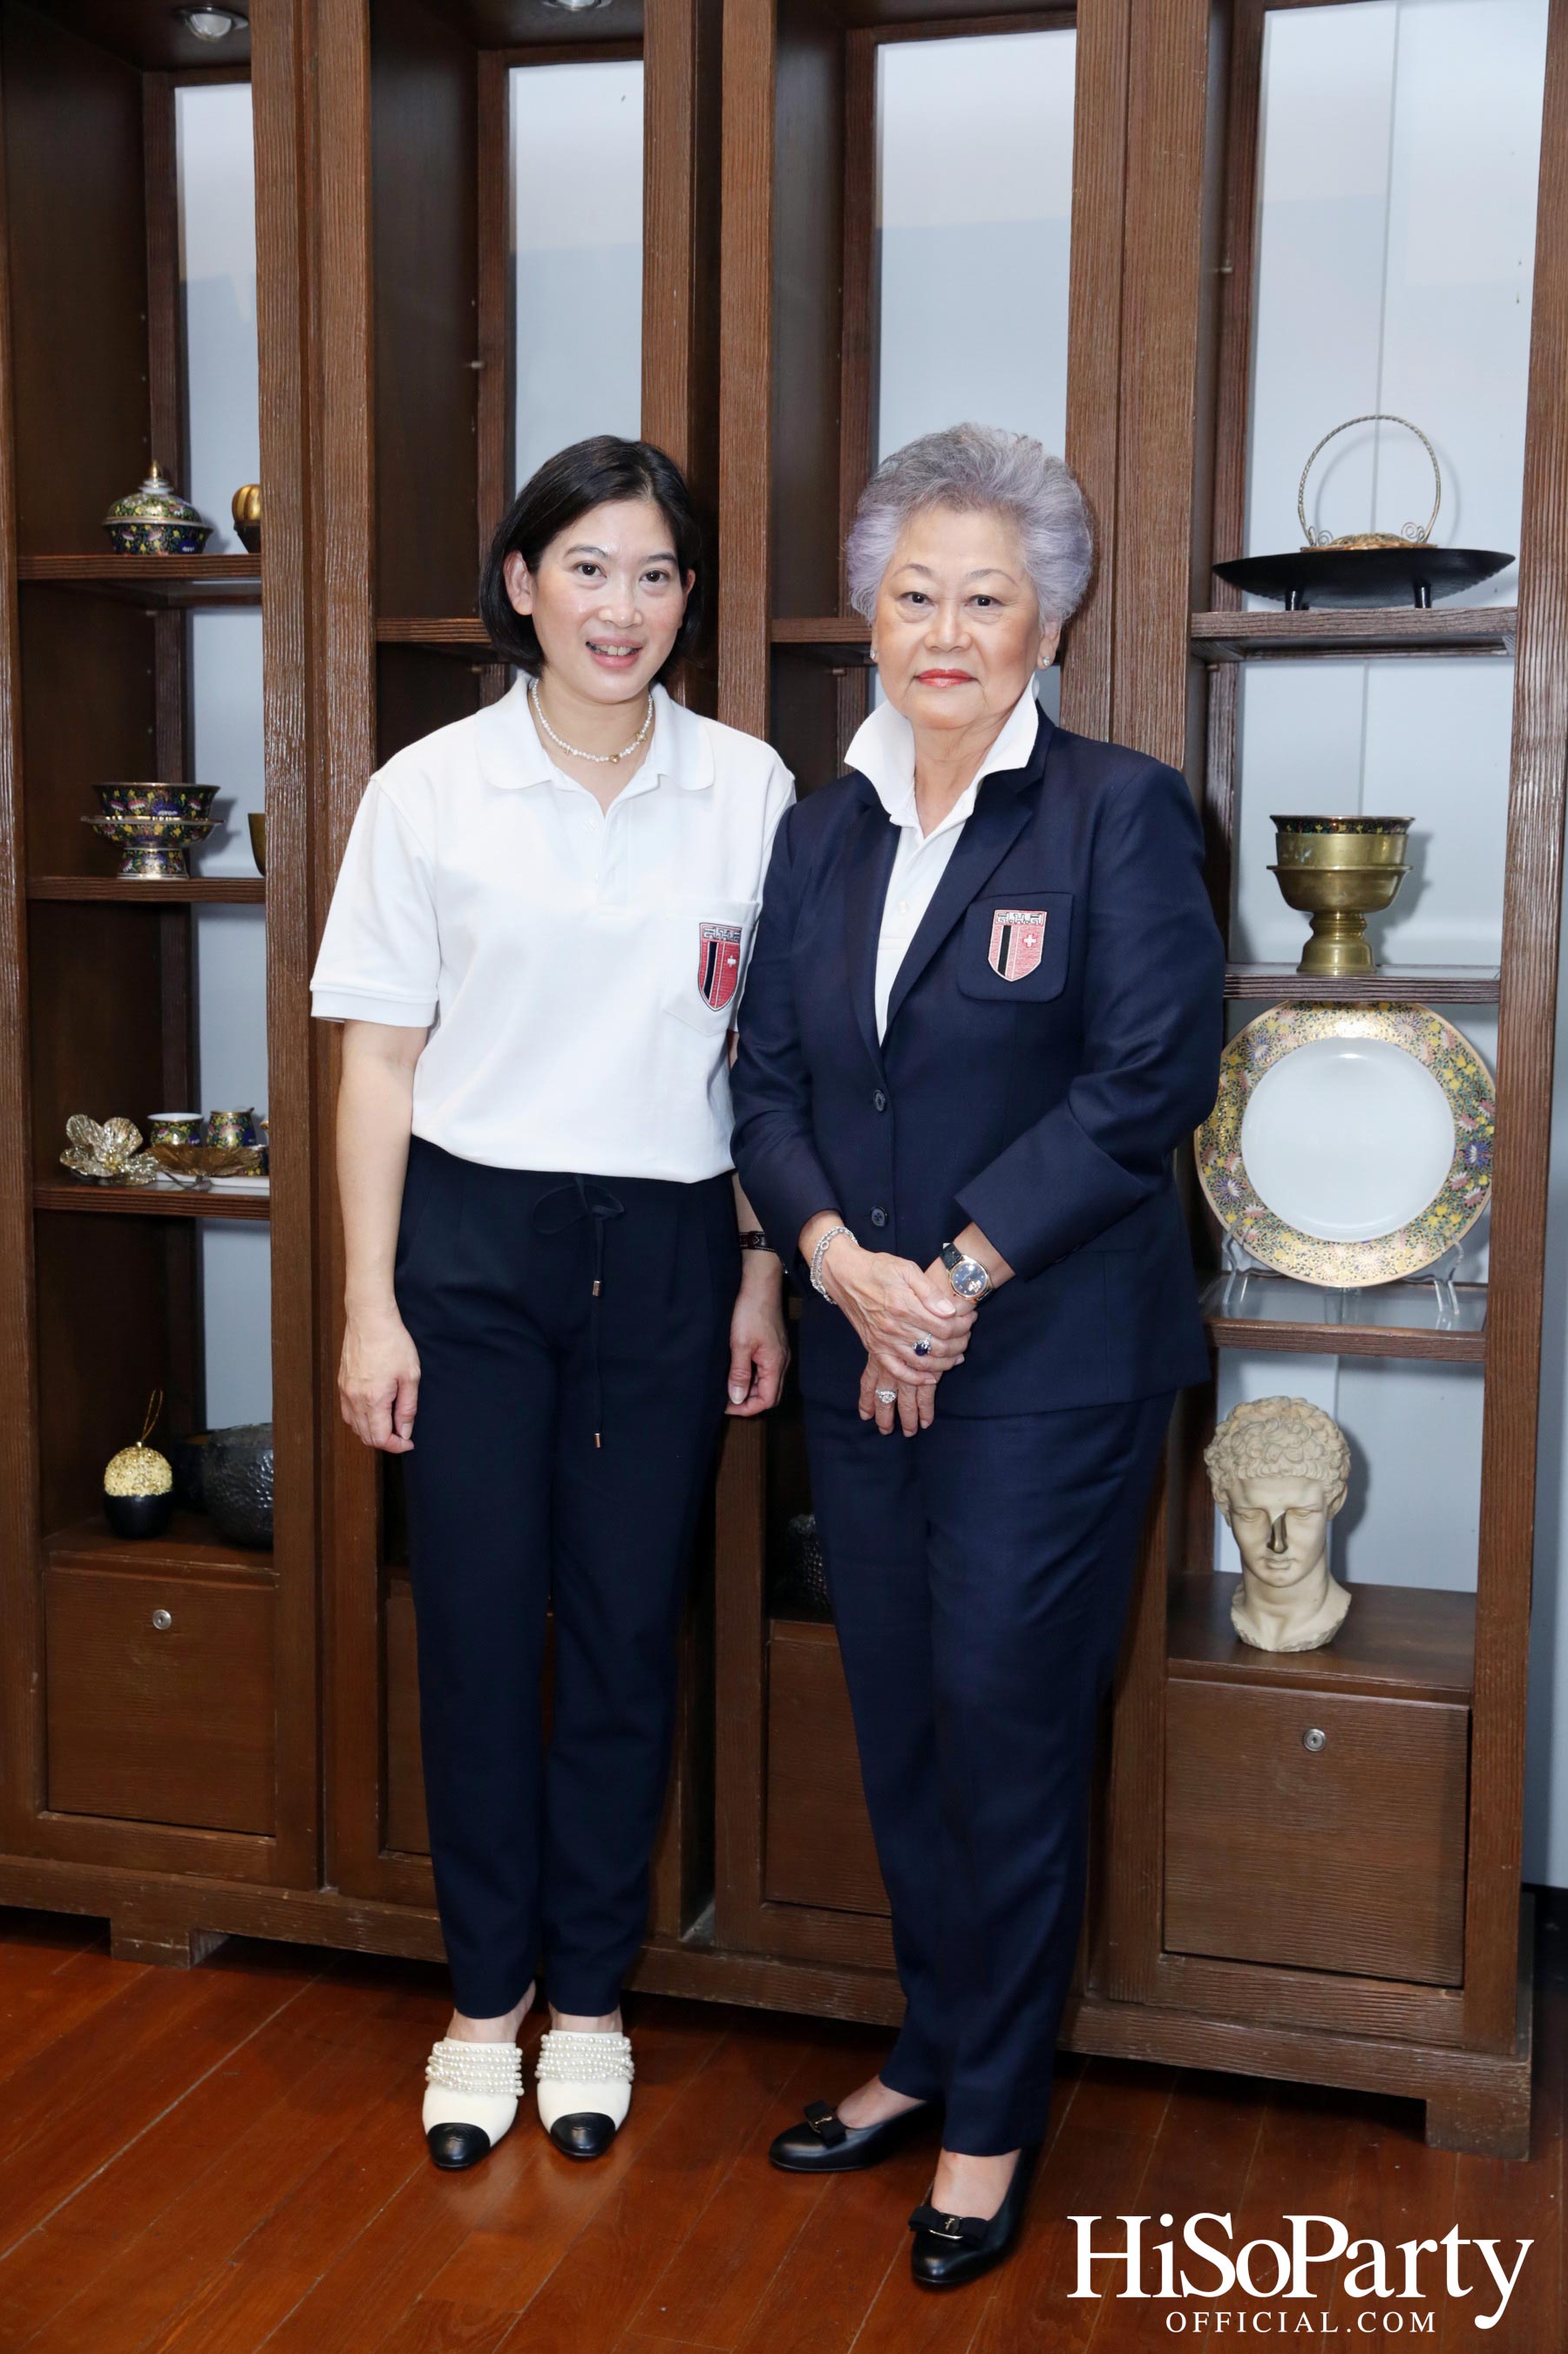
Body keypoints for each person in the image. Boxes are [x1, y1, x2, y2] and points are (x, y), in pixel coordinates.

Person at [730, 423, 1224, 2289]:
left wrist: (951, 1275)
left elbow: (1143, 1085)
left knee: (1011, 1734)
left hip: (1049, 1365)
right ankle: (931, 2043)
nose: (945, 630)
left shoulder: (1117, 811)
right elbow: (768, 1080)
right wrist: (849, 1266)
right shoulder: (822, 822)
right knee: (903, 1725)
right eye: (916, 593)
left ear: (1049, 622)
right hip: (872, 1340)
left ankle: (994, 2114)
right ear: (872, 610)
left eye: (986, 599)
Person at [310, 435, 793, 2171]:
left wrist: (758, 1272)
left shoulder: (748, 787)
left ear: (687, 599)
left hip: (669, 1248)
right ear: (521, 583)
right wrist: (370, 1307)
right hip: (474, 1250)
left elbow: (767, 1064)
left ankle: (589, 2005)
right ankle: (481, 2009)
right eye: (587, 566)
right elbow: (376, 1060)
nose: (623, 606)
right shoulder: (430, 789)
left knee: (617, 1636)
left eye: (656, 573)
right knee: (472, 1632)